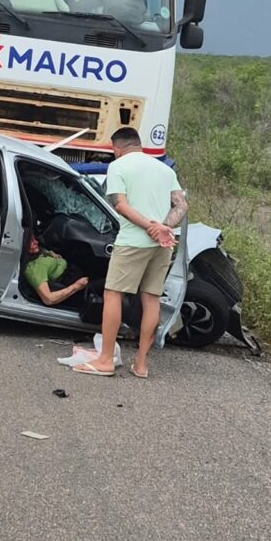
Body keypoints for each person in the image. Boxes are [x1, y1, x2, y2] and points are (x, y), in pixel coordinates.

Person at [74, 126, 187, 379]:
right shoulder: (165, 170)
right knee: (152, 299)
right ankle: (141, 364)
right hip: (161, 245)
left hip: (133, 242)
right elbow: (181, 205)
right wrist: (163, 227)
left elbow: (121, 205)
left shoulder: (118, 166)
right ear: (139, 144)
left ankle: (105, 360)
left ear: (116, 149)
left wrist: (149, 227)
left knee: (113, 294)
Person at [24, 236, 89, 307]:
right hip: (72, 285)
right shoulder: (34, 268)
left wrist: (51, 254)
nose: (36, 242)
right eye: (30, 241)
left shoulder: (38, 252)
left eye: (34, 239)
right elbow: (48, 299)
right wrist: (76, 286)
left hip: (73, 271)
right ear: (23, 244)